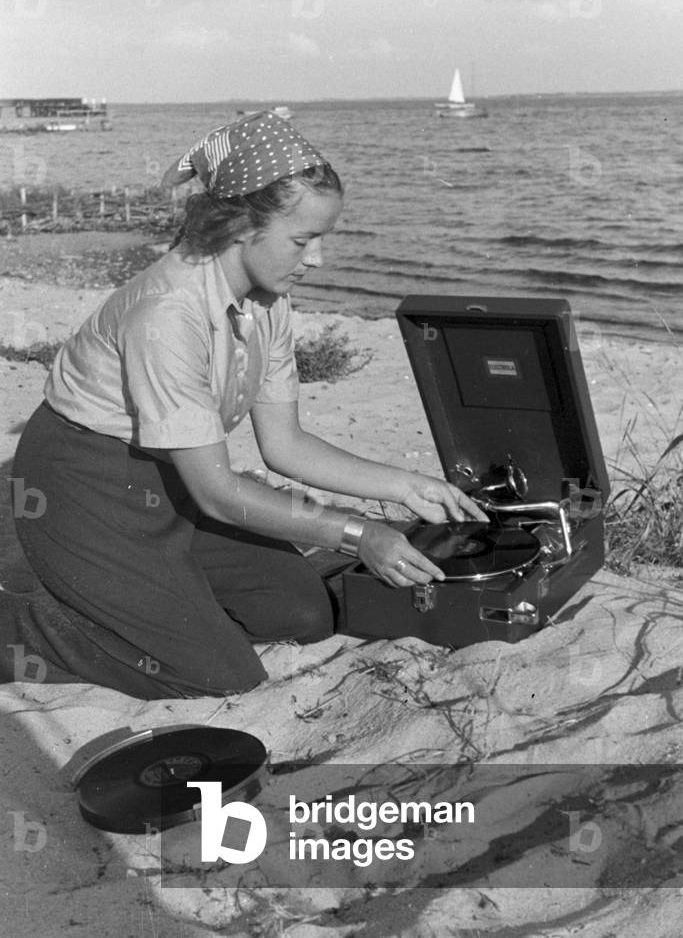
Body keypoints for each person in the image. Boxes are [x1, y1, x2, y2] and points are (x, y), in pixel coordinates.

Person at [5, 111, 485, 700]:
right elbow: (217, 493)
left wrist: (405, 486)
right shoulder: (166, 315)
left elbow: (285, 447)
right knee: (216, 675)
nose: (317, 260)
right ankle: (21, 627)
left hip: (170, 481)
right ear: (239, 227)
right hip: (85, 486)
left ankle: (155, 599)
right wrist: (360, 536)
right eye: (304, 240)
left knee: (301, 615)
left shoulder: (267, 304)